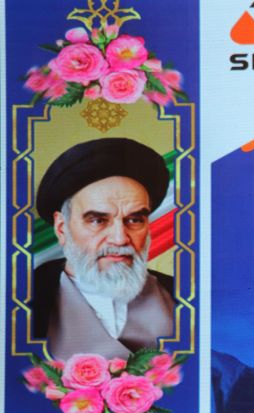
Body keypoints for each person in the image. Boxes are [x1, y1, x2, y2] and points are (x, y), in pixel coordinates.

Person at [32, 137, 175, 360]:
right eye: (98, 220)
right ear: (62, 228)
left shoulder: (182, 294)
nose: (120, 239)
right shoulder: (24, 299)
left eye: (134, 220)